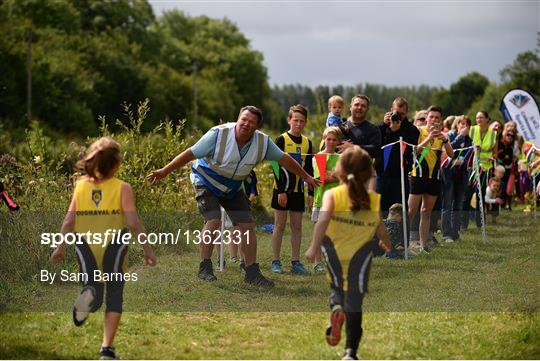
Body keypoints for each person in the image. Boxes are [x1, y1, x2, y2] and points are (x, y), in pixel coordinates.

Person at [147, 105, 319, 287]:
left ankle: (252, 272)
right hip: (206, 181)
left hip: (233, 187)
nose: (246, 124)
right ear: (238, 119)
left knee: (247, 226)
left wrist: (306, 177)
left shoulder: (263, 142)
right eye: (243, 119)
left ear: (257, 127)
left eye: (251, 122)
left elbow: (285, 159)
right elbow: (190, 153)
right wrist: (164, 171)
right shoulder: (218, 134)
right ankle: (204, 267)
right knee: (213, 220)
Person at [50, 137, 157, 360]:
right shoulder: (122, 188)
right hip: (113, 244)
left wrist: (60, 246)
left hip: (84, 242)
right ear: (117, 164)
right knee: (114, 294)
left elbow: (69, 220)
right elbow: (133, 222)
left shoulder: (80, 186)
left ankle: (88, 293)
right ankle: (106, 349)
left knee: (92, 288)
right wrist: (148, 250)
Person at [304, 145, 392, 361]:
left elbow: (322, 221)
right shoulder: (373, 198)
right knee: (355, 302)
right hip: (360, 256)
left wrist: (314, 247)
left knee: (336, 288)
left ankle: (336, 307)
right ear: (367, 173)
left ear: (340, 170)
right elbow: (381, 228)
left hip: (333, 252)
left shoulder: (333, 195)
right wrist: (388, 244)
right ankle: (350, 352)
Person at [271, 104, 314, 275]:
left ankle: (295, 262)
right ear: (289, 120)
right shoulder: (281, 139)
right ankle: (276, 261)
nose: (298, 124)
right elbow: (275, 165)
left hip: (298, 191)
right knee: (279, 226)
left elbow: (309, 169)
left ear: (305, 123)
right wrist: (281, 190)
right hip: (281, 190)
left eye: (301, 121)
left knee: (297, 227)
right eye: (295, 120)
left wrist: (311, 192)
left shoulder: (307, 143)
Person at [408, 106, 454, 253]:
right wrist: (429, 138)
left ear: (440, 121)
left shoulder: (442, 135)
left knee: (426, 211)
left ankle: (423, 244)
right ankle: (401, 242)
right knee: (410, 211)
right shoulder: (419, 131)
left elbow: (451, 155)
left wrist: (445, 140)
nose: (433, 120)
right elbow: (415, 151)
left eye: (437, 118)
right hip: (418, 176)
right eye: (431, 117)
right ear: (427, 117)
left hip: (434, 177)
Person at [376, 97, 420, 213]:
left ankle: (398, 231)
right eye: (396, 113)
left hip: (400, 176)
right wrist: (386, 127)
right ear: (391, 110)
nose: (398, 116)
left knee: (399, 211)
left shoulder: (412, 130)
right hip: (382, 174)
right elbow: (378, 146)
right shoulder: (381, 128)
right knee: (379, 209)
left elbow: (408, 149)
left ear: (407, 112)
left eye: (402, 114)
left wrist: (396, 131)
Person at [311, 127, 341, 273]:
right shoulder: (317, 157)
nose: (331, 142)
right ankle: (318, 262)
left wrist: (334, 175)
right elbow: (322, 179)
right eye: (328, 139)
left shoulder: (341, 158)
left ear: (338, 141)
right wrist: (334, 175)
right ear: (324, 139)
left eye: (334, 139)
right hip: (320, 200)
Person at [441, 115, 472, 242]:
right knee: (447, 204)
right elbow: (449, 149)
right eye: (461, 123)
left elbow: (469, 157)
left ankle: (455, 232)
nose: (463, 126)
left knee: (458, 204)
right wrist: (460, 137)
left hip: (462, 174)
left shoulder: (470, 140)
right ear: (456, 124)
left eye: (466, 124)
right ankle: (446, 234)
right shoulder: (450, 136)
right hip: (449, 174)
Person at [469, 111, 498, 228]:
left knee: (482, 194)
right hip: (474, 166)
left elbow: (495, 153)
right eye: (477, 118)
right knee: (472, 193)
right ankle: (469, 218)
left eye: (481, 117)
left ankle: (481, 221)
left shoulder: (494, 134)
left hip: (487, 167)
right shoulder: (472, 130)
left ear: (487, 119)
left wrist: (493, 157)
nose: (478, 119)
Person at [337, 95, 381, 163]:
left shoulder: (373, 129)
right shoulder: (339, 128)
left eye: (363, 106)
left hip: (363, 171)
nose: (359, 107)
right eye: (356, 105)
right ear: (350, 107)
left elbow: (376, 150)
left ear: (367, 109)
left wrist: (353, 147)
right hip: (342, 170)